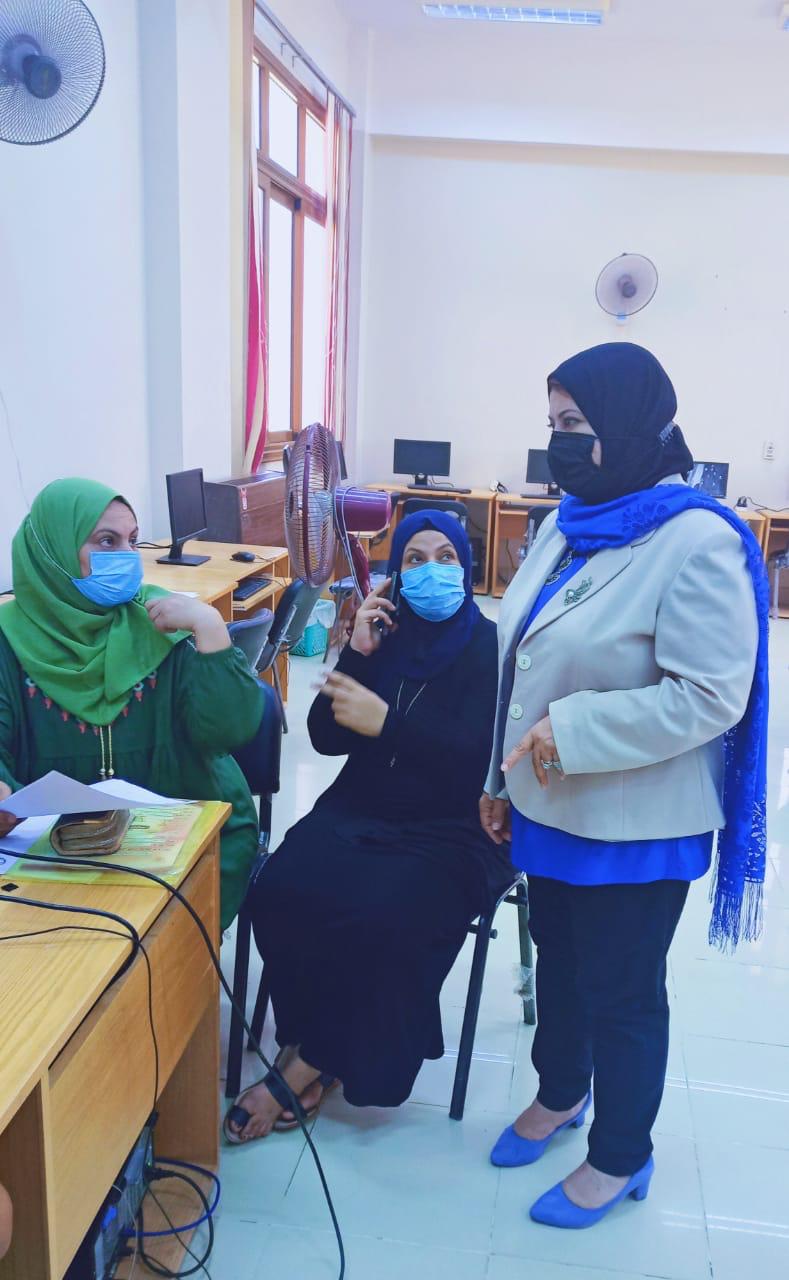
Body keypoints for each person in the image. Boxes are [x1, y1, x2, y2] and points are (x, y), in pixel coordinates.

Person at [480, 343, 767, 1229]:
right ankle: (561, 1091)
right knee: (561, 964)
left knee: (623, 990)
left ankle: (620, 1155)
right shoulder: (570, 522)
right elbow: (521, 661)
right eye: (552, 423)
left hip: (635, 819)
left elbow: (709, 696)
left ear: (633, 423)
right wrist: (497, 780)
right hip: (548, 801)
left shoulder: (697, 540)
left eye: (574, 423)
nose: (559, 442)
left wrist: (567, 735)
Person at [225, 510, 514, 1142]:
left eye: (446, 557)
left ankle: (305, 1064)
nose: (431, 570)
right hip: (365, 806)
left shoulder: (494, 648)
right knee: (280, 889)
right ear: (395, 574)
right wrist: (355, 654)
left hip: (455, 827)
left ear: (467, 568)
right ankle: (314, 1041)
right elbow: (325, 738)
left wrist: (388, 725)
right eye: (415, 559)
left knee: (387, 918)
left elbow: (479, 764)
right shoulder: (385, 637)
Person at [0, 478, 263, 929]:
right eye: (107, 541)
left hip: (179, 828)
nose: (126, 556)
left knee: (161, 947)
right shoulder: (7, 641)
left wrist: (211, 629)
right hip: (50, 849)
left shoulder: (162, 621)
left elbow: (229, 731)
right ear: (51, 551)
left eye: (133, 541)